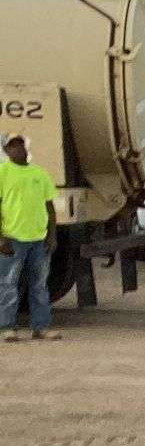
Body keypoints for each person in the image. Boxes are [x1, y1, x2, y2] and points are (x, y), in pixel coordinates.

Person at [0, 134, 61, 340]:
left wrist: (52, 236)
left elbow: (50, 207)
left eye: (20, 145)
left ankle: (41, 327)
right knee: (8, 285)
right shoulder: (2, 173)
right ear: (6, 151)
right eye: (12, 146)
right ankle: (8, 328)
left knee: (39, 286)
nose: (18, 149)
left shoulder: (40, 174)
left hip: (39, 240)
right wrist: (1, 239)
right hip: (13, 239)